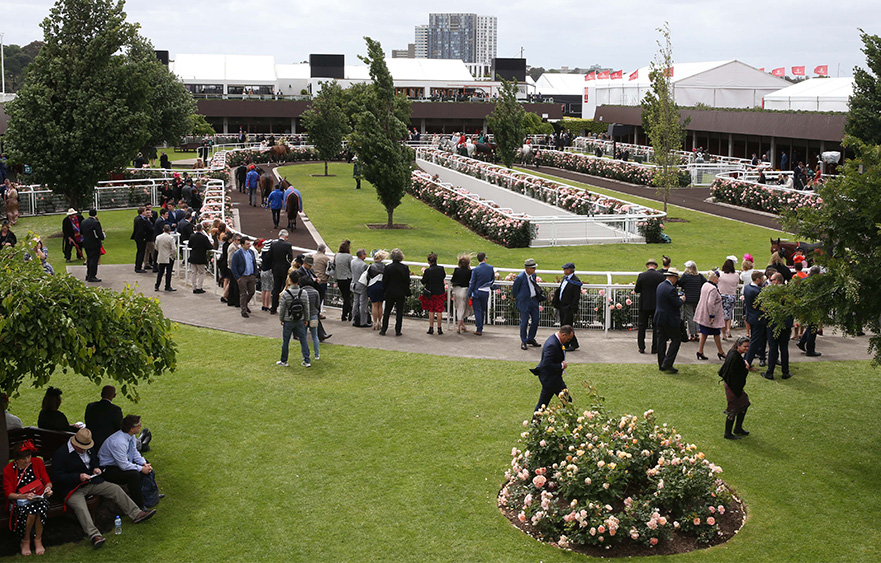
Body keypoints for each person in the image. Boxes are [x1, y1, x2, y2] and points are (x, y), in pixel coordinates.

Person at [51, 428, 156, 549]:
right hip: (72, 488)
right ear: (75, 444)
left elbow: (94, 460)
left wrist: (96, 468)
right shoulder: (61, 454)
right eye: (83, 448)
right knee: (81, 507)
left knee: (114, 489)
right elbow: (57, 477)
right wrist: (77, 477)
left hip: (91, 482)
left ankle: (136, 513)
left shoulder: (89, 448)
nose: (86, 450)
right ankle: (94, 535)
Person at [98, 415, 162, 511]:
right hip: (107, 469)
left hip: (119, 463)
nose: (141, 426)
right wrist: (141, 469)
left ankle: (150, 495)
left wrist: (144, 463)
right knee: (133, 475)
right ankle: (139, 505)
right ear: (132, 429)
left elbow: (134, 452)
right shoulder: (118, 442)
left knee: (146, 465)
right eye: (139, 425)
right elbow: (123, 465)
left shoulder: (130, 436)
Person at [4, 441, 53, 556]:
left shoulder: (37, 463)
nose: (27, 461)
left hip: (39, 497)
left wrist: (48, 490)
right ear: (16, 459)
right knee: (32, 512)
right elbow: (9, 494)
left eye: (28, 457)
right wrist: (24, 496)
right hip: (20, 501)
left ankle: (36, 539)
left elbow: (47, 482)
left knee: (39, 508)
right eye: (23, 459)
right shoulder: (9, 469)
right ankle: (27, 540)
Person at [529, 325, 575, 419]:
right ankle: (572, 423)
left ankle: (535, 425)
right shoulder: (552, 345)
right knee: (565, 401)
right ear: (563, 335)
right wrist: (562, 366)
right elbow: (547, 364)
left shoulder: (555, 341)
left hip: (553, 378)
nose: (568, 341)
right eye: (568, 339)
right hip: (550, 379)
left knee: (547, 403)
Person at [719, 336, 752, 440]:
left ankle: (738, 428)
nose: (747, 348)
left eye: (748, 346)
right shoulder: (735, 357)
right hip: (733, 386)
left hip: (732, 384)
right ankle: (728, 433)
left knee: (744, 404)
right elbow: (738, 375)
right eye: (745, 346)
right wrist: (746, 368)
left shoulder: (733, 353)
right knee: (733, 409)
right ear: (739, 346)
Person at [278, 271, 312, 367]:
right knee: (303, 340)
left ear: (290, 280)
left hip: (288, 320)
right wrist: (306, 318)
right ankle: (307, 360)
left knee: (286, 341)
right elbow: (306, 307)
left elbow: (282, 308)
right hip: (300, 319)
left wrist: (281, 319)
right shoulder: (304, 293)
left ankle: (284, 360)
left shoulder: (285, 294)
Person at [763, 272, 794, 379]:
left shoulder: (771, 293)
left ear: (777, 281)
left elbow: (766, 308)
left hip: (774, 324)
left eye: (772, 280)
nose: (770, 282)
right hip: (786, 324)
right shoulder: (788, 292)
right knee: (784, 348)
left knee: (773, 347)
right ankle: (785, 371)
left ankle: (770, 372)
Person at [654, 267, 685, 373]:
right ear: (672, 277)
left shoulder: (660, 286)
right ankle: (667, 363)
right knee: (676, 340)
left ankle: (661, 363)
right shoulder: (671, 289)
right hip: (670, 319)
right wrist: (681, 299)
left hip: (659, 317)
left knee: (661, 341)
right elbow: (677, 304)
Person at [635, 258, 665, 354]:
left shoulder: (642, 276)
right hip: (656, 305)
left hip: (644, 305)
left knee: (642, 326)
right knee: (656, 327)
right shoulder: (661, 276)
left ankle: (641, 347)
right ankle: (654, 348)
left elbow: (637, 290)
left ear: (647, 266)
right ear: (655, 266)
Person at [694, 271, 726, 361]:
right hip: (710, 316)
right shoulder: (713, 289)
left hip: (703, 314)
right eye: (717, 278)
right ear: (714, 278)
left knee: (704, 333)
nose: (718, 280)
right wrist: (712, 316)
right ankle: (721, 352)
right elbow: (710, 303)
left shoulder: (705, 285)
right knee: (716, 333)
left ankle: (700, 351)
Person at [513, 258, 544, 350]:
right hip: (524, 302)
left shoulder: (533, 275)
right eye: (533, 268)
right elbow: (515, 291)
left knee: (536, 320)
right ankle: (524, 340)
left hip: (533, 301)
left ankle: (531, 338)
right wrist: (520, 300)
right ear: (527, 268)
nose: (534, 270)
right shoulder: (520, 278)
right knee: (524, 321)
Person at [84, 385, 123, 454]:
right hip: (108, 443)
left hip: (91, 439)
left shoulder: (91, 406)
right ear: (114, 395)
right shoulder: (115, 410)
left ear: (101, 394)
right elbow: (119, 428)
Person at [380, 248, 411, 336]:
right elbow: (407, 281)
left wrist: (384, 290)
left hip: (390, 292)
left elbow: (384, 281)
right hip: (400, 293)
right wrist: (407, 292)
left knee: (387, 312)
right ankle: (398, 330)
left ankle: (383, 330)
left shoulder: (388, 267)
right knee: (399, 312)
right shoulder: (404, 268)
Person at [552, 262, 582, 351]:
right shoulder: (565, 279)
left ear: (570, 270)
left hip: (568, 307)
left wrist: (572, 307)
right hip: (562, 305)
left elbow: (576, 296)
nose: (563, 270)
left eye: (565, 269)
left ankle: (571, 344)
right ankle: (570, 343)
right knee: (564, 325)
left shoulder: (575, 281)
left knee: (567, 326)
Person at [743, 270, 768, 369]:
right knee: (755, 341)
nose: (763, 281)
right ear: (758, 279)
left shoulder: (747, 287)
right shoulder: (757, 291)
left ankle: (748, 359)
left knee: (755, 339)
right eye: (762, 279)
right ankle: (747, 361)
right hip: (758, 319)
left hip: (751, 317)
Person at [797, 265, 823, 357]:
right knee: (813, 328)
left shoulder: (804, 280)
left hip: (805, 306)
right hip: (814, 306)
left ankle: (802, 342)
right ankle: (810, 349)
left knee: (811, 326)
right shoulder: (818, 283)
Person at [677, 261, 706, 342]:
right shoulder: (699, 276)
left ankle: (692, 334)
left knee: (690, 316)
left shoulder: (686, 276)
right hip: (697, 298)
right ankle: (697, 333)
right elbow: (705, 282)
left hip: (688, 299)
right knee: (697, 316)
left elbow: (679, 283)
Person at [468, 252, 495, 336]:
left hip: (477, 292)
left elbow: (472, 282)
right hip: (485, 292)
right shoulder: (490, 268)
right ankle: (480, 327)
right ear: (484, 258)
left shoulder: (476, 269)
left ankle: (479, 328)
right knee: (482, 310)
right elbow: (492, 279)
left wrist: (469, 294)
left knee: (477, 311)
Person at [267, 230, 293, 315]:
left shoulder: (273, 244)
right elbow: (290, 258)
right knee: (285, 287)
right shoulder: (287, 245)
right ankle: (284, 308)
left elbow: (269, 256)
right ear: (285, 237)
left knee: (276, 288)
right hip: (284, 269)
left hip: (275, 268)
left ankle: (273, 307)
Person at [231, 237, 258, 318]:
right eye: (247, 244)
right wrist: (238, 278)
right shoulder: (237, 254)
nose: (249, 245)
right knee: (243, 293)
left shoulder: (251, 252)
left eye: (249, 244)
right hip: (242, 276)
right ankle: (243, 310)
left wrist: (255, 274)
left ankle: (245, 305)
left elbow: (254, 263)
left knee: (252, 291)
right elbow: (233, 267)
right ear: (242, 245)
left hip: (251, 276)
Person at [420, 253, 446, 335]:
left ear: (429, 262)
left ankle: (431, 328)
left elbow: (423, 281)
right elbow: (443, 276)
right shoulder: (441, 269)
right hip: (440, 292)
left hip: (431, 293)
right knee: (439, 311)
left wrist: (424, 272)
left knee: (431, 310)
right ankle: (439, 328)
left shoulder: (428, 271)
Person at [718, 257, 740, 339]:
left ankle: (723, 333)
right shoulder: (736, 275)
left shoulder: (720, 274)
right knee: (729, 313)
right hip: (731, 296)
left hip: (721, 296)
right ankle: (728, 329)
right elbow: (736, 284)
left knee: (722, 315)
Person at [80, 209, 105, 283]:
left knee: (89, 258)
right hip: (94, 243)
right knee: (94, 260)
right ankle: (92, 275)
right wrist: (102, 237)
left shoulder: (83, 222)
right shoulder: (96, 222)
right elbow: (99, 233)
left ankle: (88, 274)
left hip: (86, 243)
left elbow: (81, 231)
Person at [187, 223, 212, 294]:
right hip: (200, 257)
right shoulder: (204, 238)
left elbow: (189, 245)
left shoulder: (192, 236)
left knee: (193, 273)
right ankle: (199, 287)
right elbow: (209, 247)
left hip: (193, 256)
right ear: (202, 229)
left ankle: (194, 287)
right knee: (202, 273)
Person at [451, 255, 472, 334]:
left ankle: (462, 326)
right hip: (464, 290)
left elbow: (453, 280)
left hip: (456, 290)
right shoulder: (470, 272)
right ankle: (459, 327)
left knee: (459, 308)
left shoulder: (456, 270)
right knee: (462, 308)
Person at [334, 240, 354, 322]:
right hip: (347, 278)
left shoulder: (336, 255)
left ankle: (347, 313)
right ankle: (347, 314)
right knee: (347, 297)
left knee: (345, 297)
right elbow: (351, 267)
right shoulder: (349, 256)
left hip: (339, 279)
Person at [367, 251, 387, 331]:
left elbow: (367, 277)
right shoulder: (385, 267)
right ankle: (380, 322)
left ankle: (375, 322)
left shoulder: (371, 266)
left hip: (373, 285)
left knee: (374, 305)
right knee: (380, 305)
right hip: (381, 285)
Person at [351, 249, 371, 327]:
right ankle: (363, 322)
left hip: (354, 284)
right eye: (365, 254)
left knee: (355, 302)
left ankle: (354, 319)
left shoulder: (353, 262)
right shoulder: (364, 265)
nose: (366, 255)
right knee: (363, 304)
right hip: (362, 286)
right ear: (362, 255)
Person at [154, 224, 177, 292]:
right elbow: (174, 249)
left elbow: (156, 247)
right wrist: (173, 256)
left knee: (160, 272)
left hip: (161, 256)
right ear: (169, 230)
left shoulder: (158, 237)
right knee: (168, 272)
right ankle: (167, 286)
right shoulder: (171, 238)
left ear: (163, 230)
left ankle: (157, 286)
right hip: (169, 257)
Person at [131, 207, 152, 273]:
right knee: (141, 252)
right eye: (145, 211)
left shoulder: (138, 218)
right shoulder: (140, 220)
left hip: (139, 238)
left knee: (140, 252)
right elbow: (140, 230)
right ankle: (138, 267)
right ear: (142, 212)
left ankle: (138, 266)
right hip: (141, 239)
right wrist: (144, 237)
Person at [312, 244, 330, 312]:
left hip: (313, 280)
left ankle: (316, 313)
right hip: (322, 280)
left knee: (314, 299)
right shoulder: (325, 258)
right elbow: (331, 268)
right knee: (319, 298)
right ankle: (317, 313)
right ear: (324, 250)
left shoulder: (313, 256)